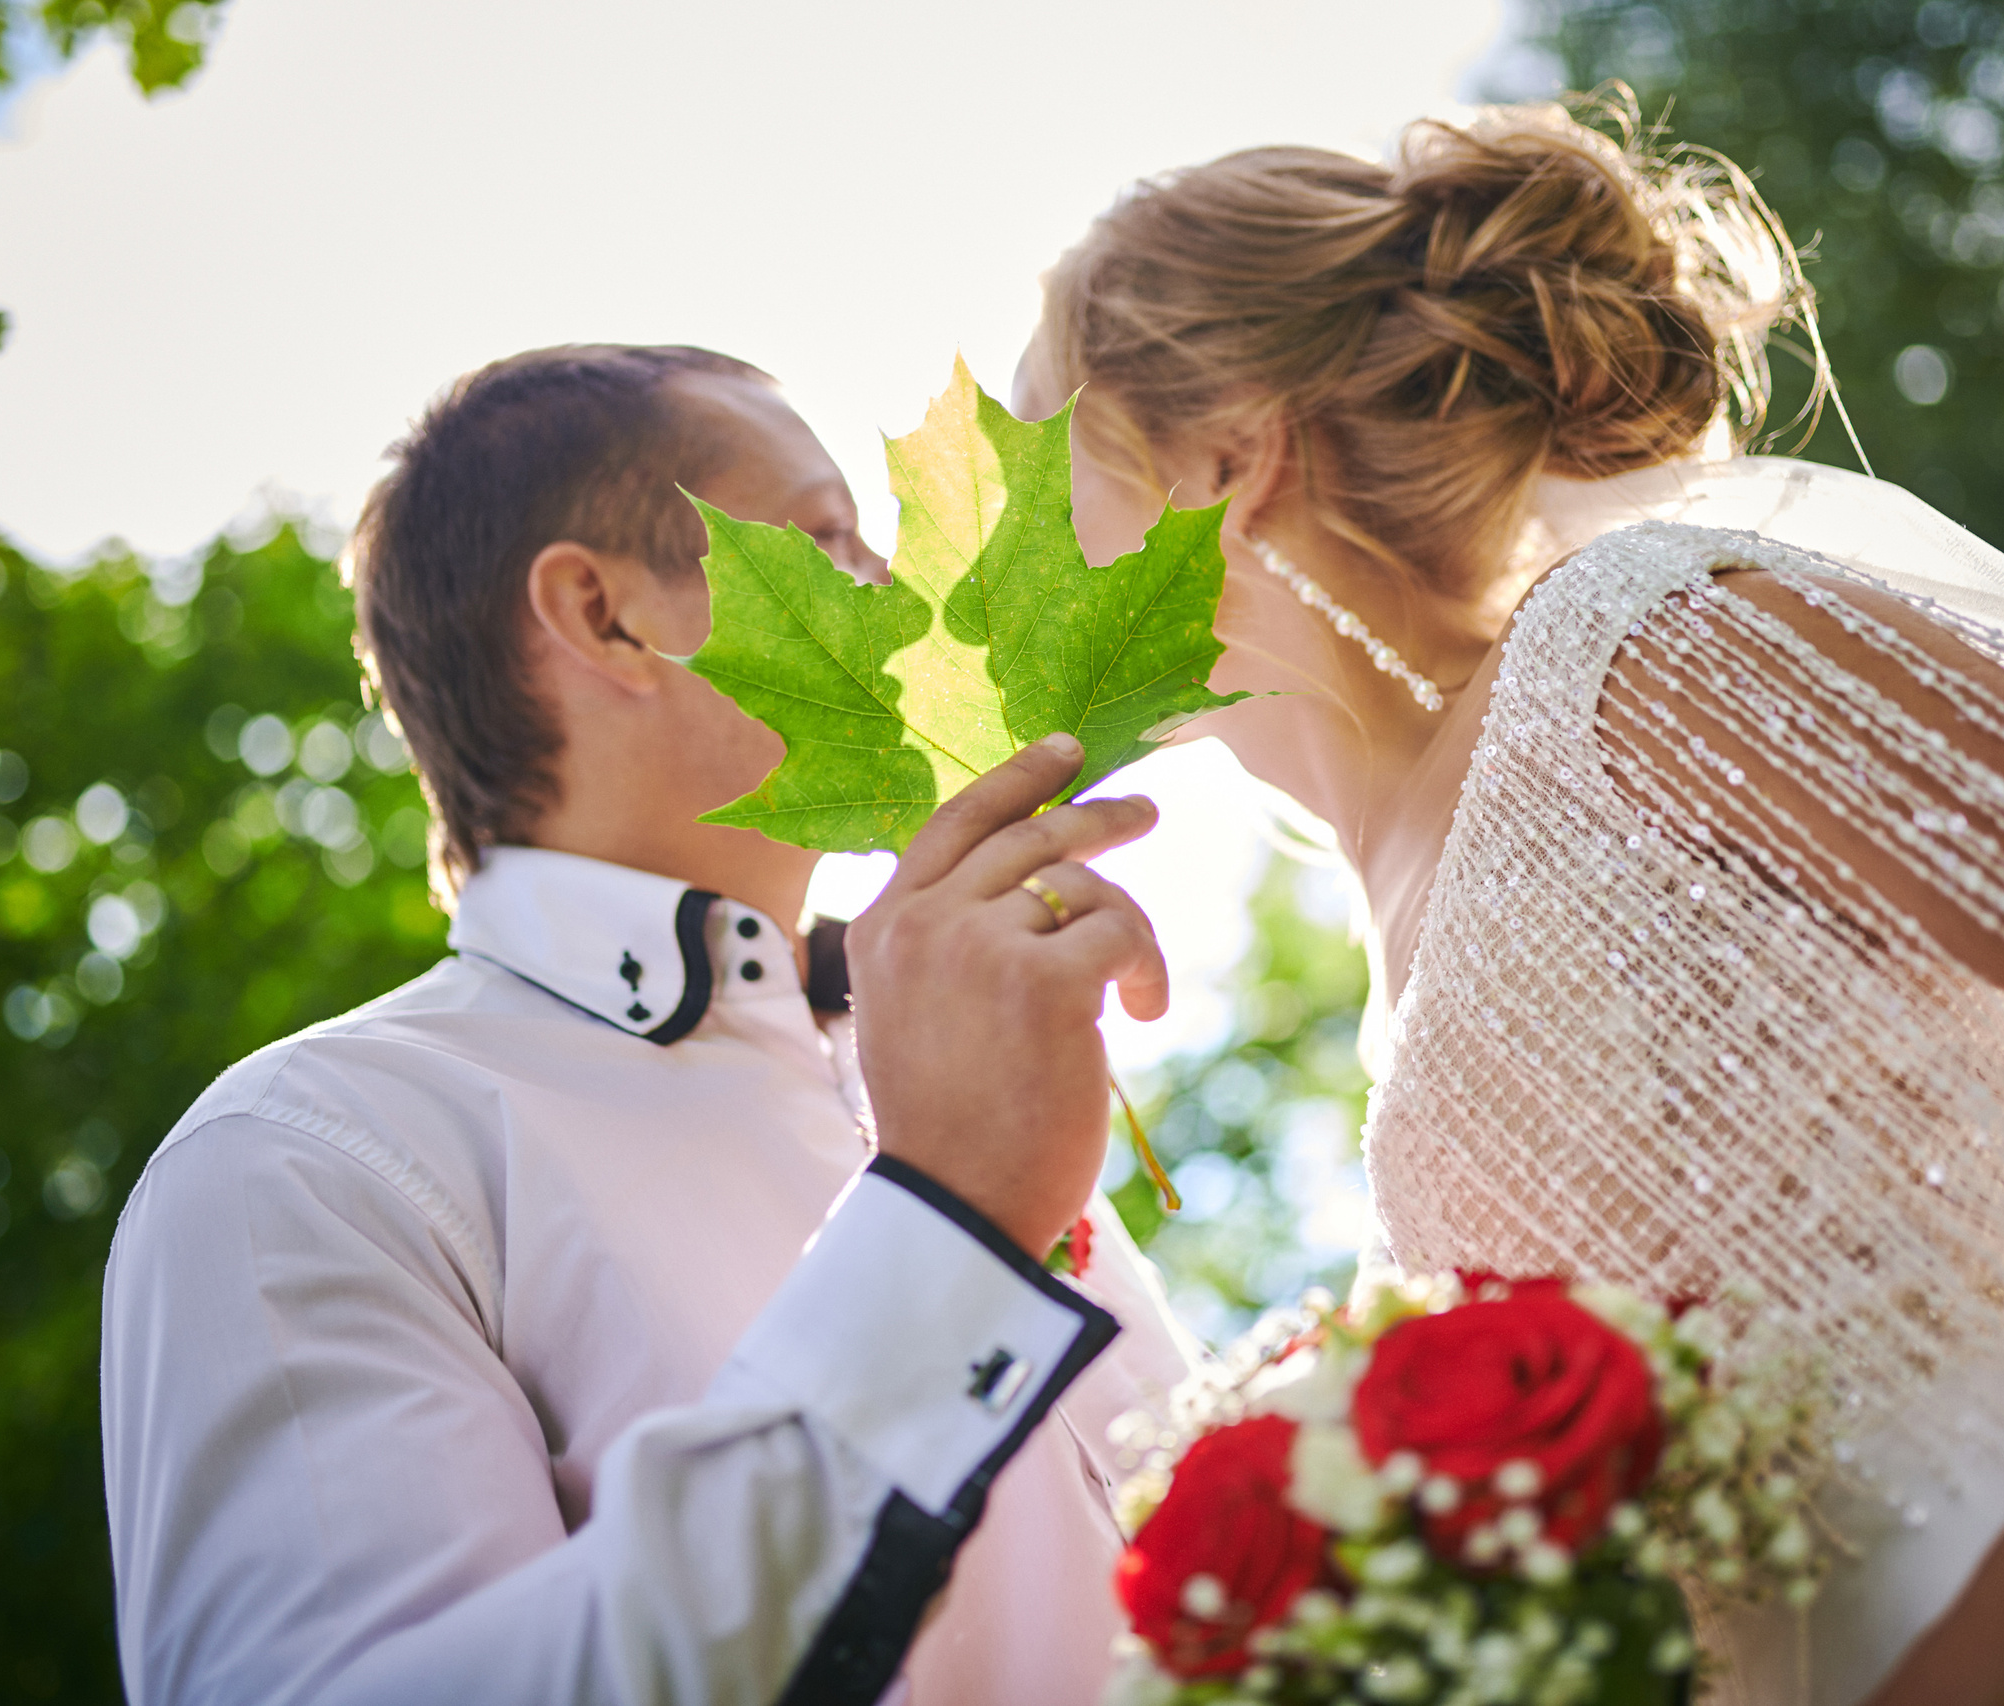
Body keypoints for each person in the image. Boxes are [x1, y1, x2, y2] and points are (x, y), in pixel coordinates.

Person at [1018, 98, 2004, 1704]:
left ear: (1226, 460)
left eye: (1045, 471)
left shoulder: (1640, 657)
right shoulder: (1399, 934)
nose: (1009, 568)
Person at [100, 344, 1197, 1706]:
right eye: (828, 540)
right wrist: (950, 1225)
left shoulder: (911, 1057)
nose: (902, 598)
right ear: (604, 614)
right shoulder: (311, 1160)